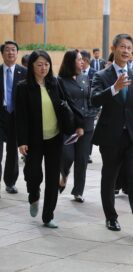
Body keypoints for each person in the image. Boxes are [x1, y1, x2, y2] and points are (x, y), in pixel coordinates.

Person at [91, 33, 133, 237]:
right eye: (122, 47)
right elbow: (94, 100)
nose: (126, 51)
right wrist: (114, 89)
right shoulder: (102, 76)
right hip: (111, 137)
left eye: (129, 47)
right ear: (114, 48)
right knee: (109, 178)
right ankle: (111, 217)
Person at [15, 49, 82, 228]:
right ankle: (34, 195)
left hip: (55, 137)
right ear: (32, 66)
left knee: (53, 178)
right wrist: (21, 141)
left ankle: (48, 216)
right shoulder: (23, 87)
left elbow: (69, 104)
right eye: (39, 65)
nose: (44, 68)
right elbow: (20, 117)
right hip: (34, 139)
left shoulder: (55, 83)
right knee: (33, 173)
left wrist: (79, 124)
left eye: (46, 64)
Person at [58, 49, 94, 203]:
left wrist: (94, 112)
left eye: (83, 59)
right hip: (69, 126)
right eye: (79, 59)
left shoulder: (85, 78)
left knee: (82, 158)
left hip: (87, 125)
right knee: (68, 156)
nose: (82, 62)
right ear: (70, 62)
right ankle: (64, 174)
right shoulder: (60, 81)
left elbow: (91, 98)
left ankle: (78, 191)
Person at [0, 40, 27, 194]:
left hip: (16, 117)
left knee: (12, 151)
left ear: (17, 53)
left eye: (13, 50)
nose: (10, 52)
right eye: (7, 50)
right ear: (2, 53)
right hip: (1, 114)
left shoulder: (23, 72)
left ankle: (10, 182)